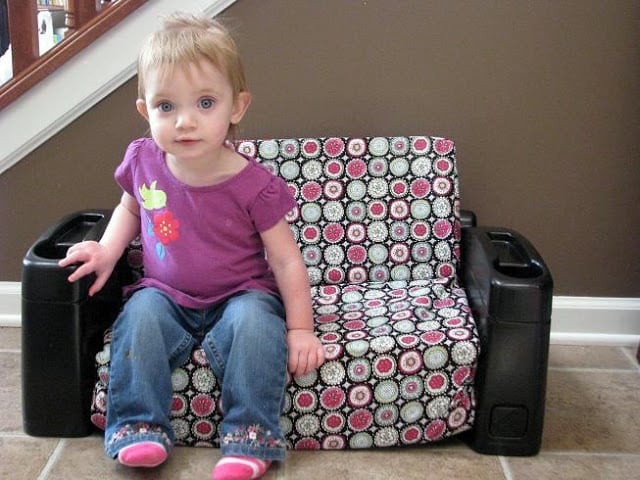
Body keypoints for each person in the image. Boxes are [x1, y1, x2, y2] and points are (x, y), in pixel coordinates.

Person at [59, 12, 325, 480]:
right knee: (137, 321)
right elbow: (130, 210)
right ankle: (138, 426)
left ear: (236, 107)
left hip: (240, 295)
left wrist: (300, 329)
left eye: (205, 103)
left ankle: (249, 438)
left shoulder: (253, 185)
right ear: (145, 111)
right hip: (164, 294)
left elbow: (285, 260)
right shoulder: (143, 160)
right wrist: (105, 250)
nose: (185, 122)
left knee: (256, 327)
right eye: (166, 106)